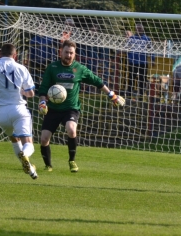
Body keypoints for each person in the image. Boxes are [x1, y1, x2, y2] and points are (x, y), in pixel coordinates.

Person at [38, 40, 125, 172]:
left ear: (75, 54)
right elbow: (44, 88)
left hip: (71, 108)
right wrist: (43, 102)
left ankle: (72, 160)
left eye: (71, 53)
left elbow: (97, 81)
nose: (68, 55)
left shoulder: (79, 69)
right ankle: (48, 165)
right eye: (66, 52)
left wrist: (111, 95)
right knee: (44, 139)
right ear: (61, 52)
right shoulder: (52, 68)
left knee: (71, 129)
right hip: (53, 109)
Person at [0, 43, 38, 179]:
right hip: (19, 110)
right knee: (28, 144)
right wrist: (21, 91)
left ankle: (31, 170)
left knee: (14, 138)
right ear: (15, 56)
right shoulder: (21, 68)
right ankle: (25, 155)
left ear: (0, 54)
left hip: (1, 113)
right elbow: (31, 93)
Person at [126, 23, 155, 101]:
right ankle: (129, 95)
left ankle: (141, 96)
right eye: (137, 28)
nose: (138, 30)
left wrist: (153, 59)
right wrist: (129, 57)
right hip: (133, 62)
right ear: (135, 29)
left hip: (143, 62)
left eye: (140, 28)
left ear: (143, 29)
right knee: (131, 78)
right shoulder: (132, 38)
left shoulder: (147, 39)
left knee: (142, 79)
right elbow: (126, 48)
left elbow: (151, 50)